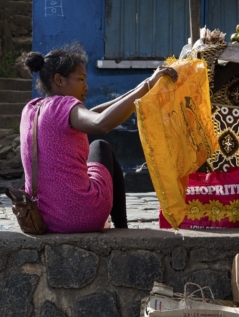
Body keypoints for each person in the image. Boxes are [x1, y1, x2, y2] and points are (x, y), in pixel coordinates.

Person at [21, 43, 177, 233]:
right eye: (80, 79)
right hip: (79, 217)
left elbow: (92, 114)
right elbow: (101, 123)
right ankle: (122, 227)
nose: (86, 87)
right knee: (101, 147)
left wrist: (141, 88)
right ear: (59, 80)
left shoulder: (31, 108)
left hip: (42, 218)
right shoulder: (65, 105)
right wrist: (147, 86)